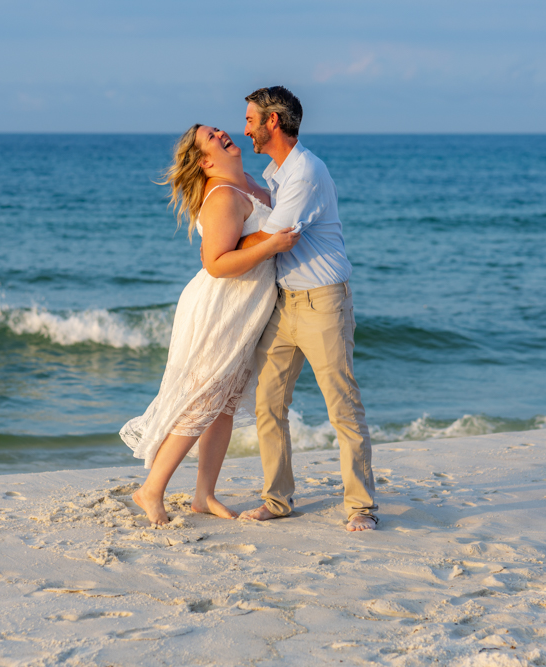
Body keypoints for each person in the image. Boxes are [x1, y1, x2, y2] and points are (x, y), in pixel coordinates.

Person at [120, 124, 301, 525]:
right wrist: (272, 245)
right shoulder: (221, 197)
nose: (222, 134)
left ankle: (204, 495)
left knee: (224, 405)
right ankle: (150, 490)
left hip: (245, 310)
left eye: (219, 130)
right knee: (201, 400)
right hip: (220, 307)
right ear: (205, 161)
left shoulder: (250, 183)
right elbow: (216, 264)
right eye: (211, 138)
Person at [235, 86, 379, 532]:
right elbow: (268, 219)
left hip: (322, 302)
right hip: (285, 301)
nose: (246, 129)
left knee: (343, 406)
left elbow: (276, 234)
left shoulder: (306, 172)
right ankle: (278, 500)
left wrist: (226, 250)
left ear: (272, 122)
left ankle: (361, 507)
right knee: (268, 403)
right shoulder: (277, 171)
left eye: (250, 120)